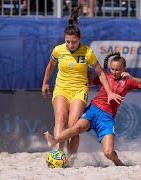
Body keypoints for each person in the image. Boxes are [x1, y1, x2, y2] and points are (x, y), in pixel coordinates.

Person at [41, 6, 123, 158]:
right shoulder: (58, 50)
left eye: (73, 42)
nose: (70, 45)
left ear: (79, 39)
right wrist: (45, 83)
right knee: (60, 118)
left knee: (73, 125)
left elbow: (100, 72)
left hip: (79, 90)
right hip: (61, 88)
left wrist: (110, 92)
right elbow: (50, 67)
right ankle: (58, 154)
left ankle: (71, 158)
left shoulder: (87, 52)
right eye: (68, 42)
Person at [44, 52, 141, 166]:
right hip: (93, 110)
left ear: (124, 69)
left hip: (107, 118)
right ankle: (56, 140)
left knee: (108, 153)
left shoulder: (127, 81)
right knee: (76, 128)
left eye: (117, 70)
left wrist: (132, 77)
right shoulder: (105, 77)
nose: (114, 72)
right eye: (112, 69)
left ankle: (119, 163)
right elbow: (88, 81)